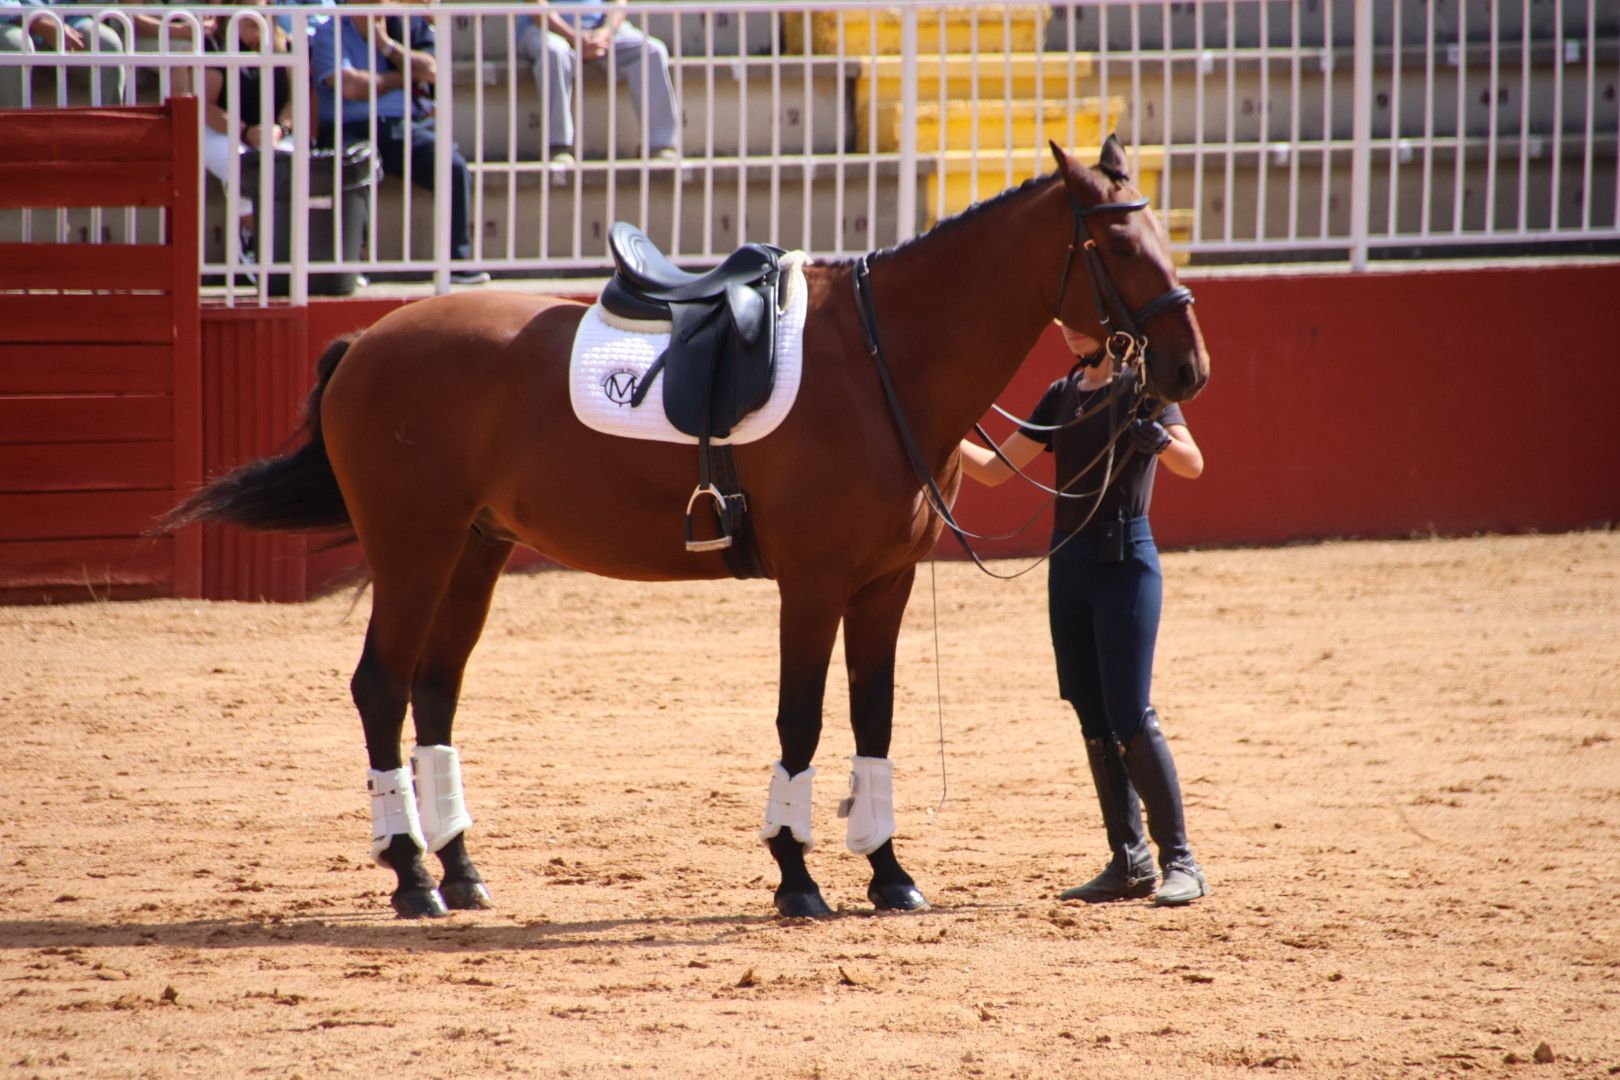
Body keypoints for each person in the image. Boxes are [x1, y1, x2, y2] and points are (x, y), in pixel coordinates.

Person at [958, 324, 1210, 907]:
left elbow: (1194, 464)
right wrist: (936, 438)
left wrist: (1159, 440)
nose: (1069, 334)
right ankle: (1129, 860)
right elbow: (998, 469)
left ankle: (1181, 861)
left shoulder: (1146, 388)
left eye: (1080, 324)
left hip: (1126, 562)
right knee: (1091, 712)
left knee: (1129, 712)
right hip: (1068, 563)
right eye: (1064, 326)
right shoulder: (1061, 393)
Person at [312, 0, 489, 284]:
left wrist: (385, 45)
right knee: (354, 164)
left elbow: (431, 69)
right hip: (350, 128)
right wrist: (401, 77)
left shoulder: (406, 25)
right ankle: (353, 263)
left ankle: (456, 262)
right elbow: (350, 86)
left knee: (451, 165)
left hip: (402, 127)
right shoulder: (330, 31)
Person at [518, 0, 679, 167]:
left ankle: (660, 145)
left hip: (601, 30)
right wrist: (573, 37)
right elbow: (536, 5)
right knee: (555, 53)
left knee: (653, 50)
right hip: (546, 29)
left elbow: (618, 3)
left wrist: (605, 33)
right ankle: (559, 147)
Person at [1, 0, 124, 108]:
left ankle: (108, 127)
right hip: (11, 19)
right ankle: (13, 130)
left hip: (67, 16)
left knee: (108, 45)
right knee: (14, 44)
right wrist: (38, 23)